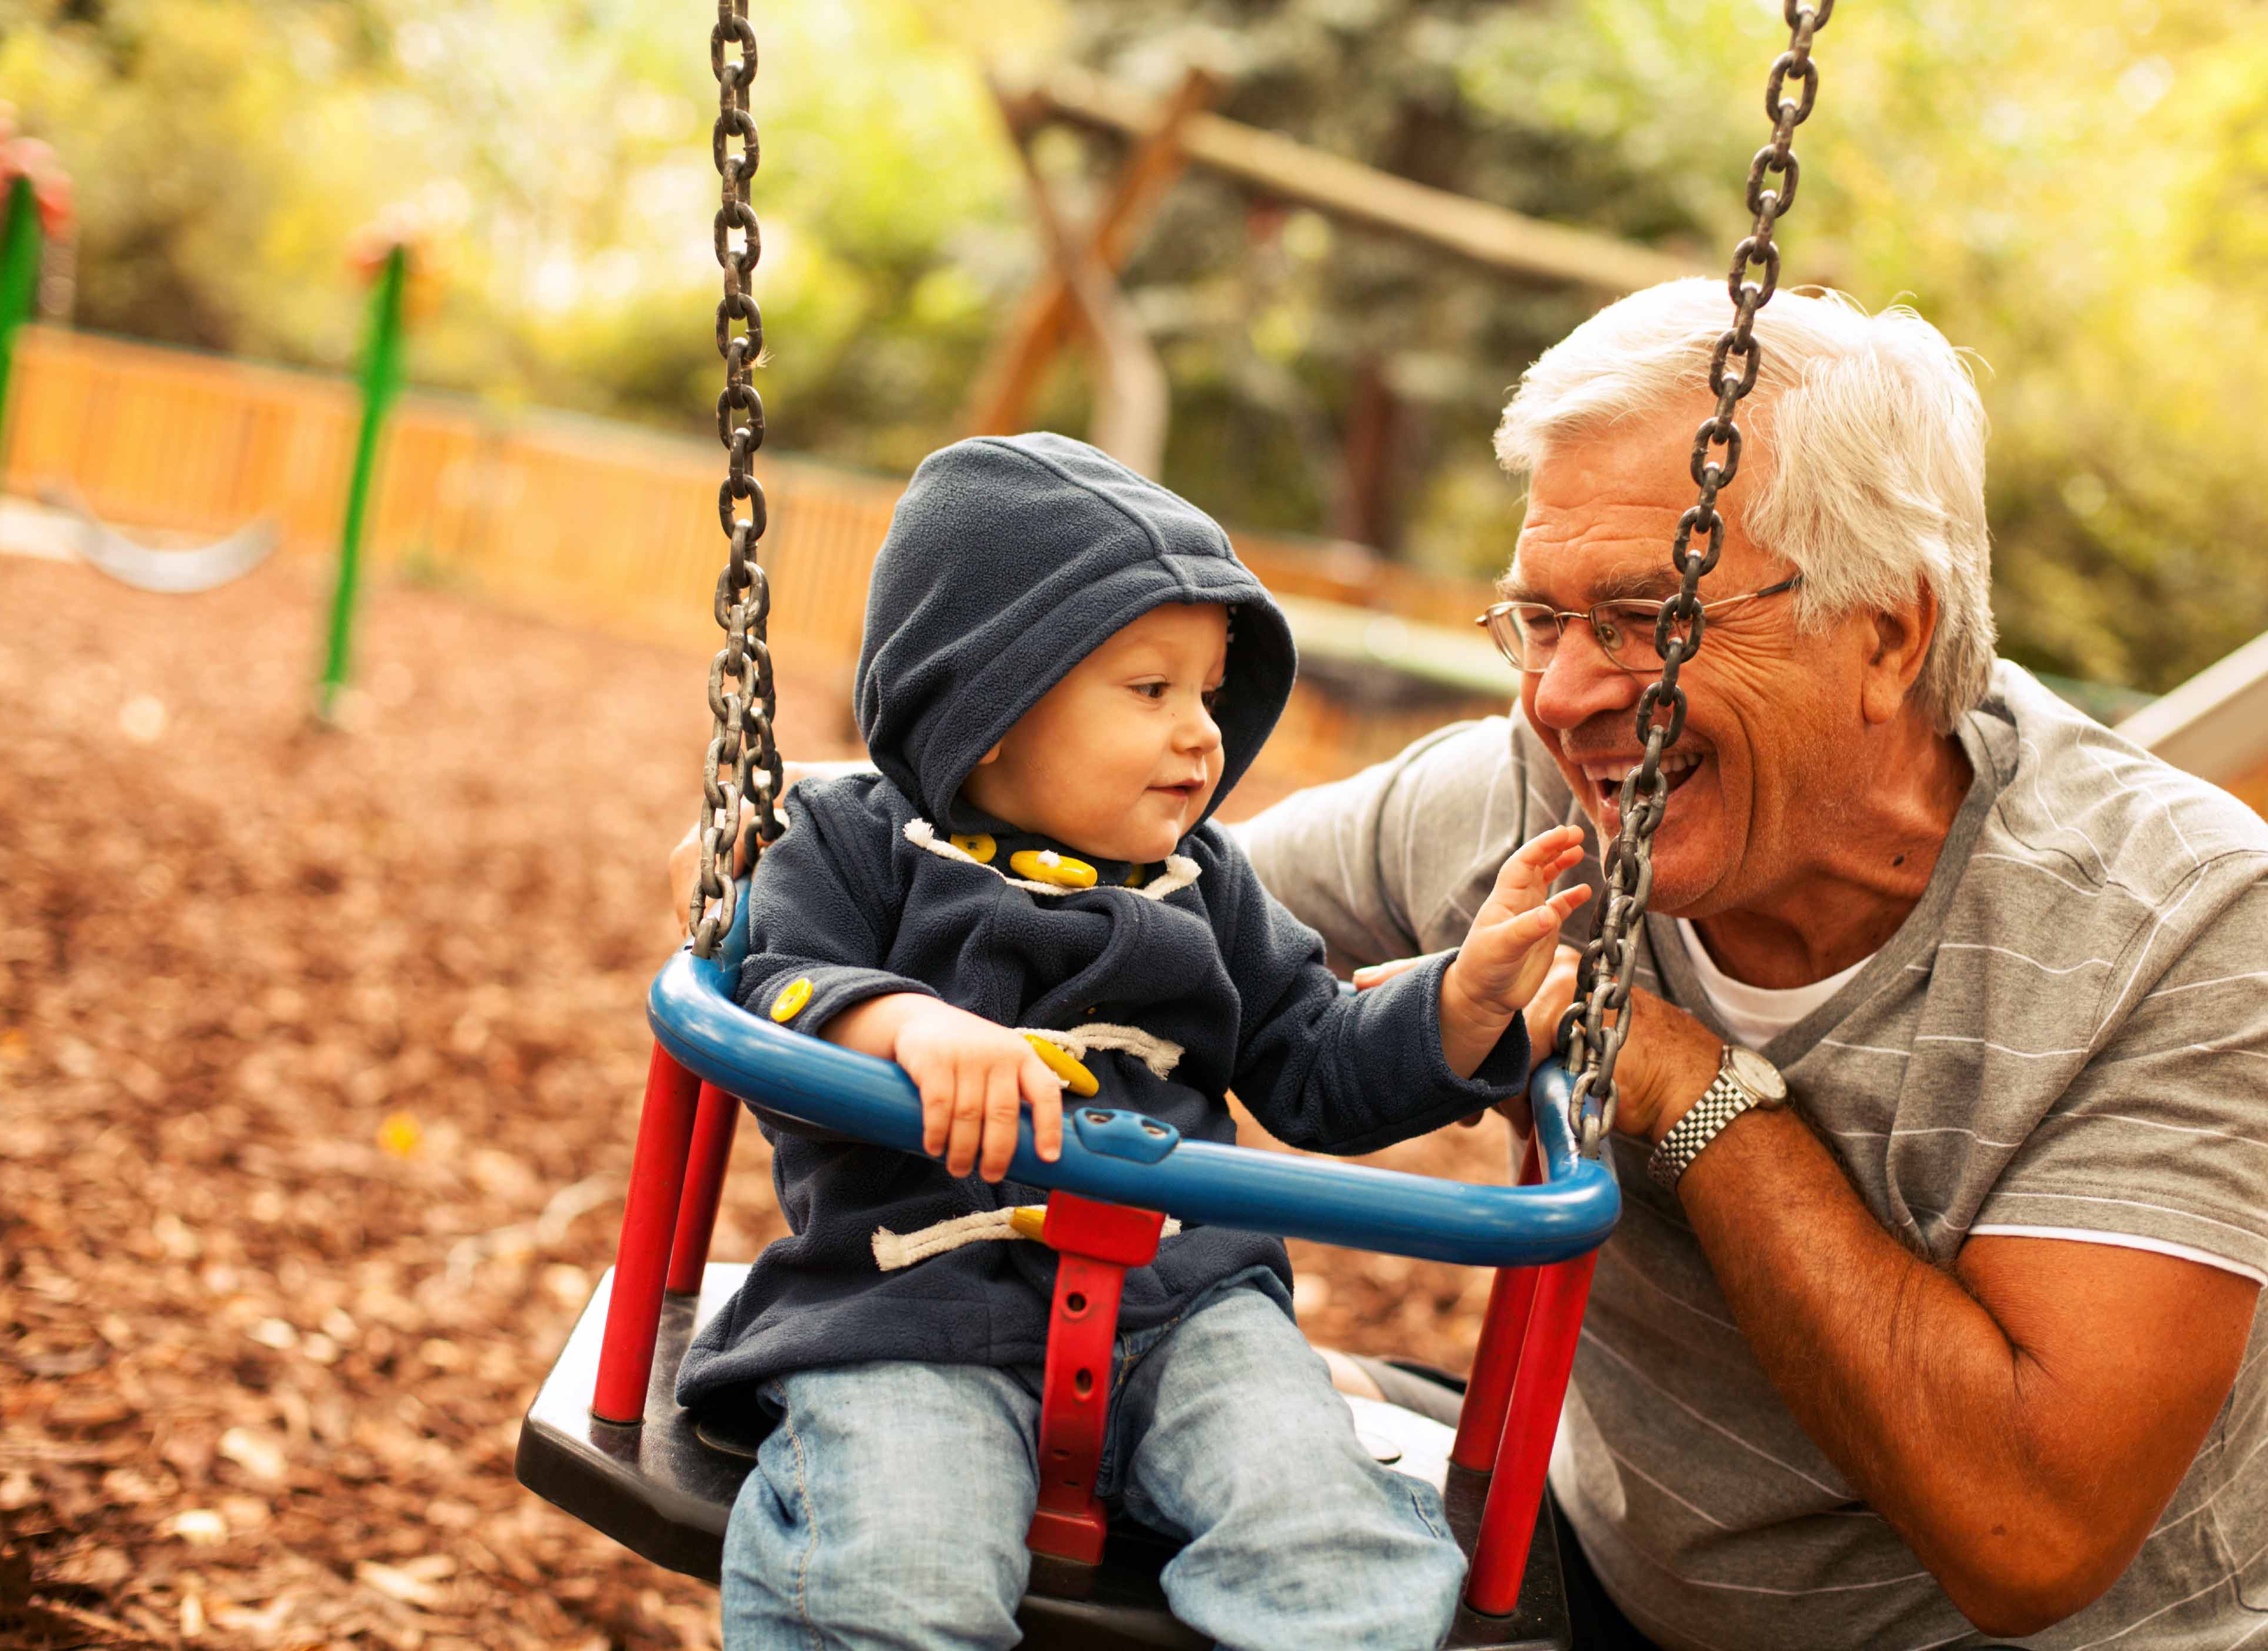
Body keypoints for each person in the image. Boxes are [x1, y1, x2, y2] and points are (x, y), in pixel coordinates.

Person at [1240, 278, 2268, 1649]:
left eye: (1647, 616)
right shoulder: (1532, 800)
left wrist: (1696, 1093)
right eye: (1540, 619)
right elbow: (1164, 903)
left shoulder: (2170, 921)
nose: (1565, 694)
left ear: (1889, 634)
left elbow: (2030, 1533)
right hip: (1606, 1563)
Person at [680, 431, 1592, 1651]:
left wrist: (1458, 1005)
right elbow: (770, 975)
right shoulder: (851, 843)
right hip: (909, 1304)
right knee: (892, 1574)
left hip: (1189, 1306)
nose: (1202, 733)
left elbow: (1313, 1062)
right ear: (988, 705)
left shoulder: (1204, 881)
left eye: (1210, 692)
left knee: (1335, 1552)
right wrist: (904, 1023)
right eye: (1151, 689)